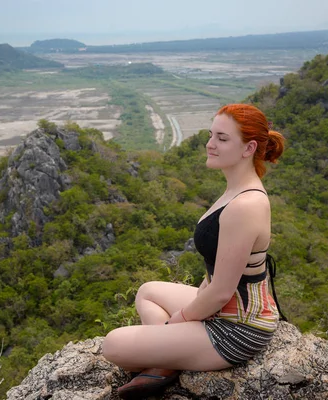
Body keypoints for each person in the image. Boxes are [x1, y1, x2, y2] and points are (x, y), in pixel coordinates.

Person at [102, 103, 286, 399]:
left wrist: (178, 321)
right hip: (224, 310)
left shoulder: (246, 205)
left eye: (222, 139)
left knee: (112, 345)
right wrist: (184, 320)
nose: (210, 145)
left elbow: (221, 292)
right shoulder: (234, 190)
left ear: (249, 147)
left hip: (237, 328)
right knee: (147, 291)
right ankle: (170, 360)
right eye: (211, 135)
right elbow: (215, 271)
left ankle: (167, 360)